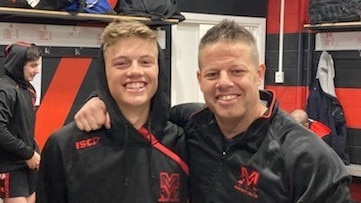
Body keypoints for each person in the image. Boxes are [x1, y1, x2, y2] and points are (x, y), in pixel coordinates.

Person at [74, 19, 352, 202]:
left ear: (259, 74)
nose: (224, 83)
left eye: (236, 71)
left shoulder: (309, 158)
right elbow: (140, 106)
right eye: (213, 73)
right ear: (199, 80)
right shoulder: (190, 122)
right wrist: (100, 99)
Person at [36, 20, 188, 203]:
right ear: (104, 72)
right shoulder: (64, 146)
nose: (135, 71)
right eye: (121, 63)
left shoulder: (183, 143)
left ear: (159, 69)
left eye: (146, 62)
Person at [0, 42, 42, 203]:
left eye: (38, 65)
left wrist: (33, 152)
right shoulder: (4, 90)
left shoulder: (29, 90)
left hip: (28, 165)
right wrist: (28, 153)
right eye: (33, 65)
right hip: (10, 166)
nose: (37, 70)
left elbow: (24, 128)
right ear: (18, 65)